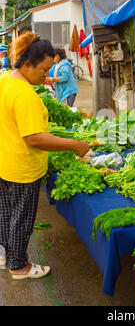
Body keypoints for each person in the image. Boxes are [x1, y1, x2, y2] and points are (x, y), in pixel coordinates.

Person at [0, 31, 90, 280]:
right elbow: (35, 137)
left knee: (6, 213)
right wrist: (74, 144)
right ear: (28, 64)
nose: (47, 74)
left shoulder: (6, 80)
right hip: (23, 168)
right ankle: (19, 266)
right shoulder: (25, 95)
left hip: (5, 162)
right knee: (21, 219)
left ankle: (4, 253)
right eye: (44, 69)